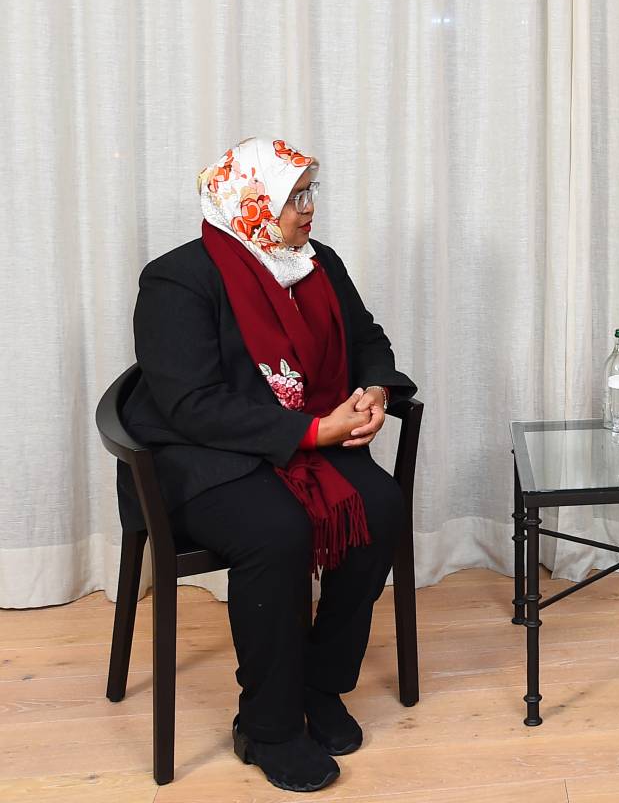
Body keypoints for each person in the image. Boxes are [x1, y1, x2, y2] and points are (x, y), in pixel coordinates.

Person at [119, 137, 416, 791]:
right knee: (277, 530)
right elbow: (191, 405)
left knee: (380, 508)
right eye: (293, 196)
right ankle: (268, 725)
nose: (309, 208)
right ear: (249, 202)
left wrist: (373, 388)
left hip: (300, 438)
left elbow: (367, 340)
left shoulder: (317, 263)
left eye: (311, 193)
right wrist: (313, 429)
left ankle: (318, 684)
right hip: (202, 458)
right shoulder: (176, 279)